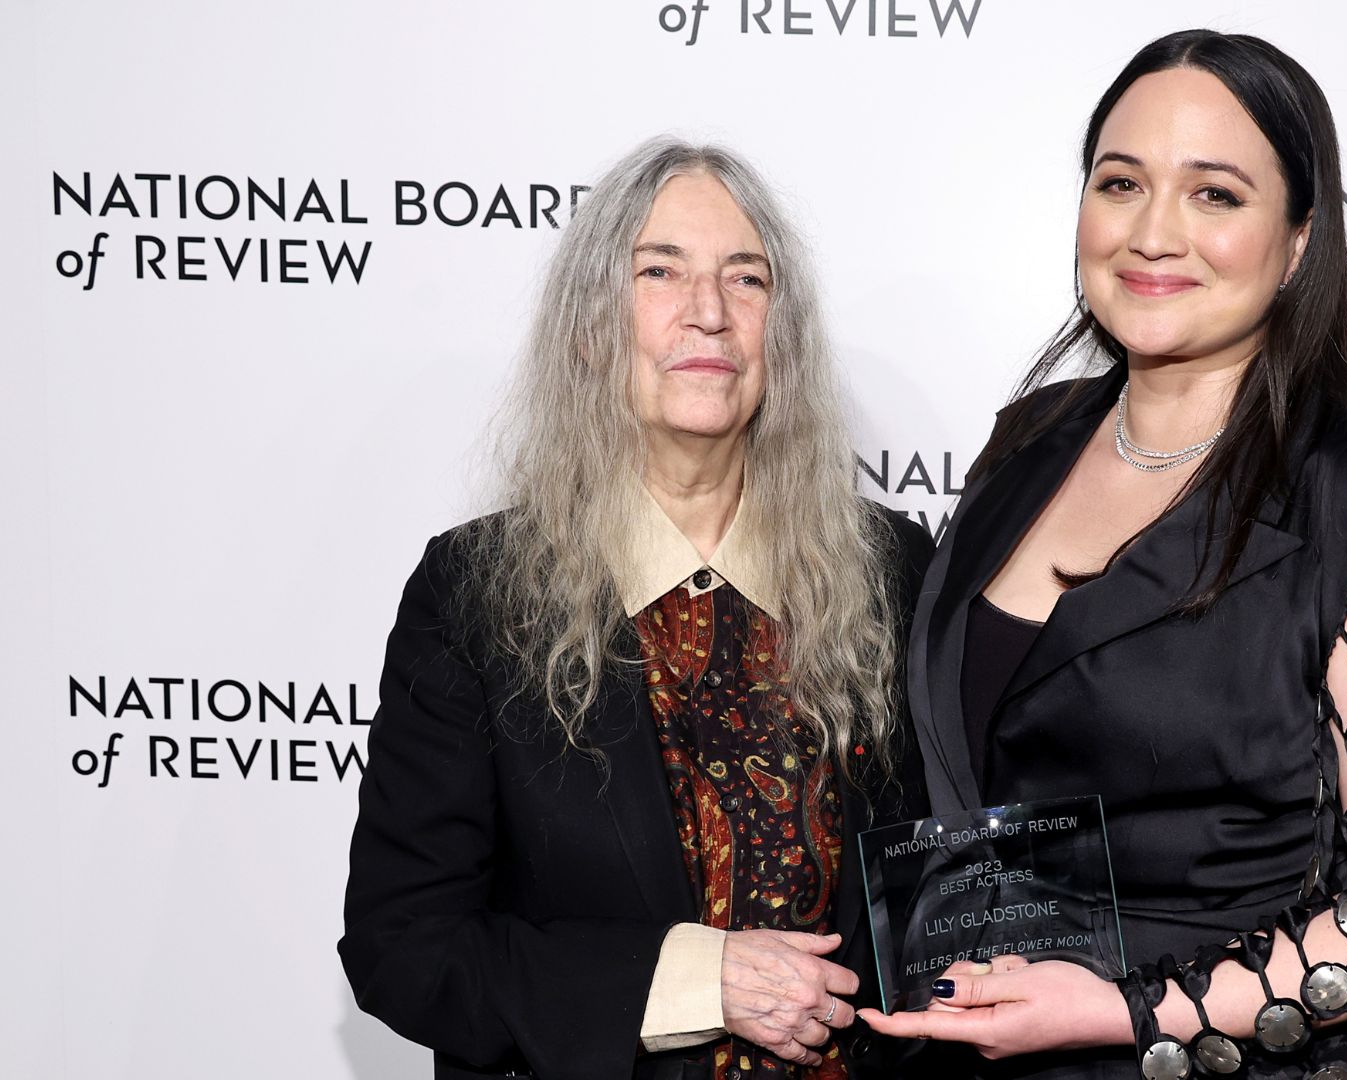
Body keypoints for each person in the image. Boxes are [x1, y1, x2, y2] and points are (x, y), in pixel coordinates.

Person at [861, 30, 1347, 1080]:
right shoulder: (1026, 445)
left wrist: (1121, 1010)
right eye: (1121, 181)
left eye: (1216, 195)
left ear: (1296, 242)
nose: (1153, 232)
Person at [338, 138, 934, 1080]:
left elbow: (943, 893)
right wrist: (701, 981)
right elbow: (405, 947)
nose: (709, 313)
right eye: (660, 272)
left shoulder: (893, 568)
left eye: (747, 279)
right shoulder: (475, 594)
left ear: (782, 335)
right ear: (588, 327)